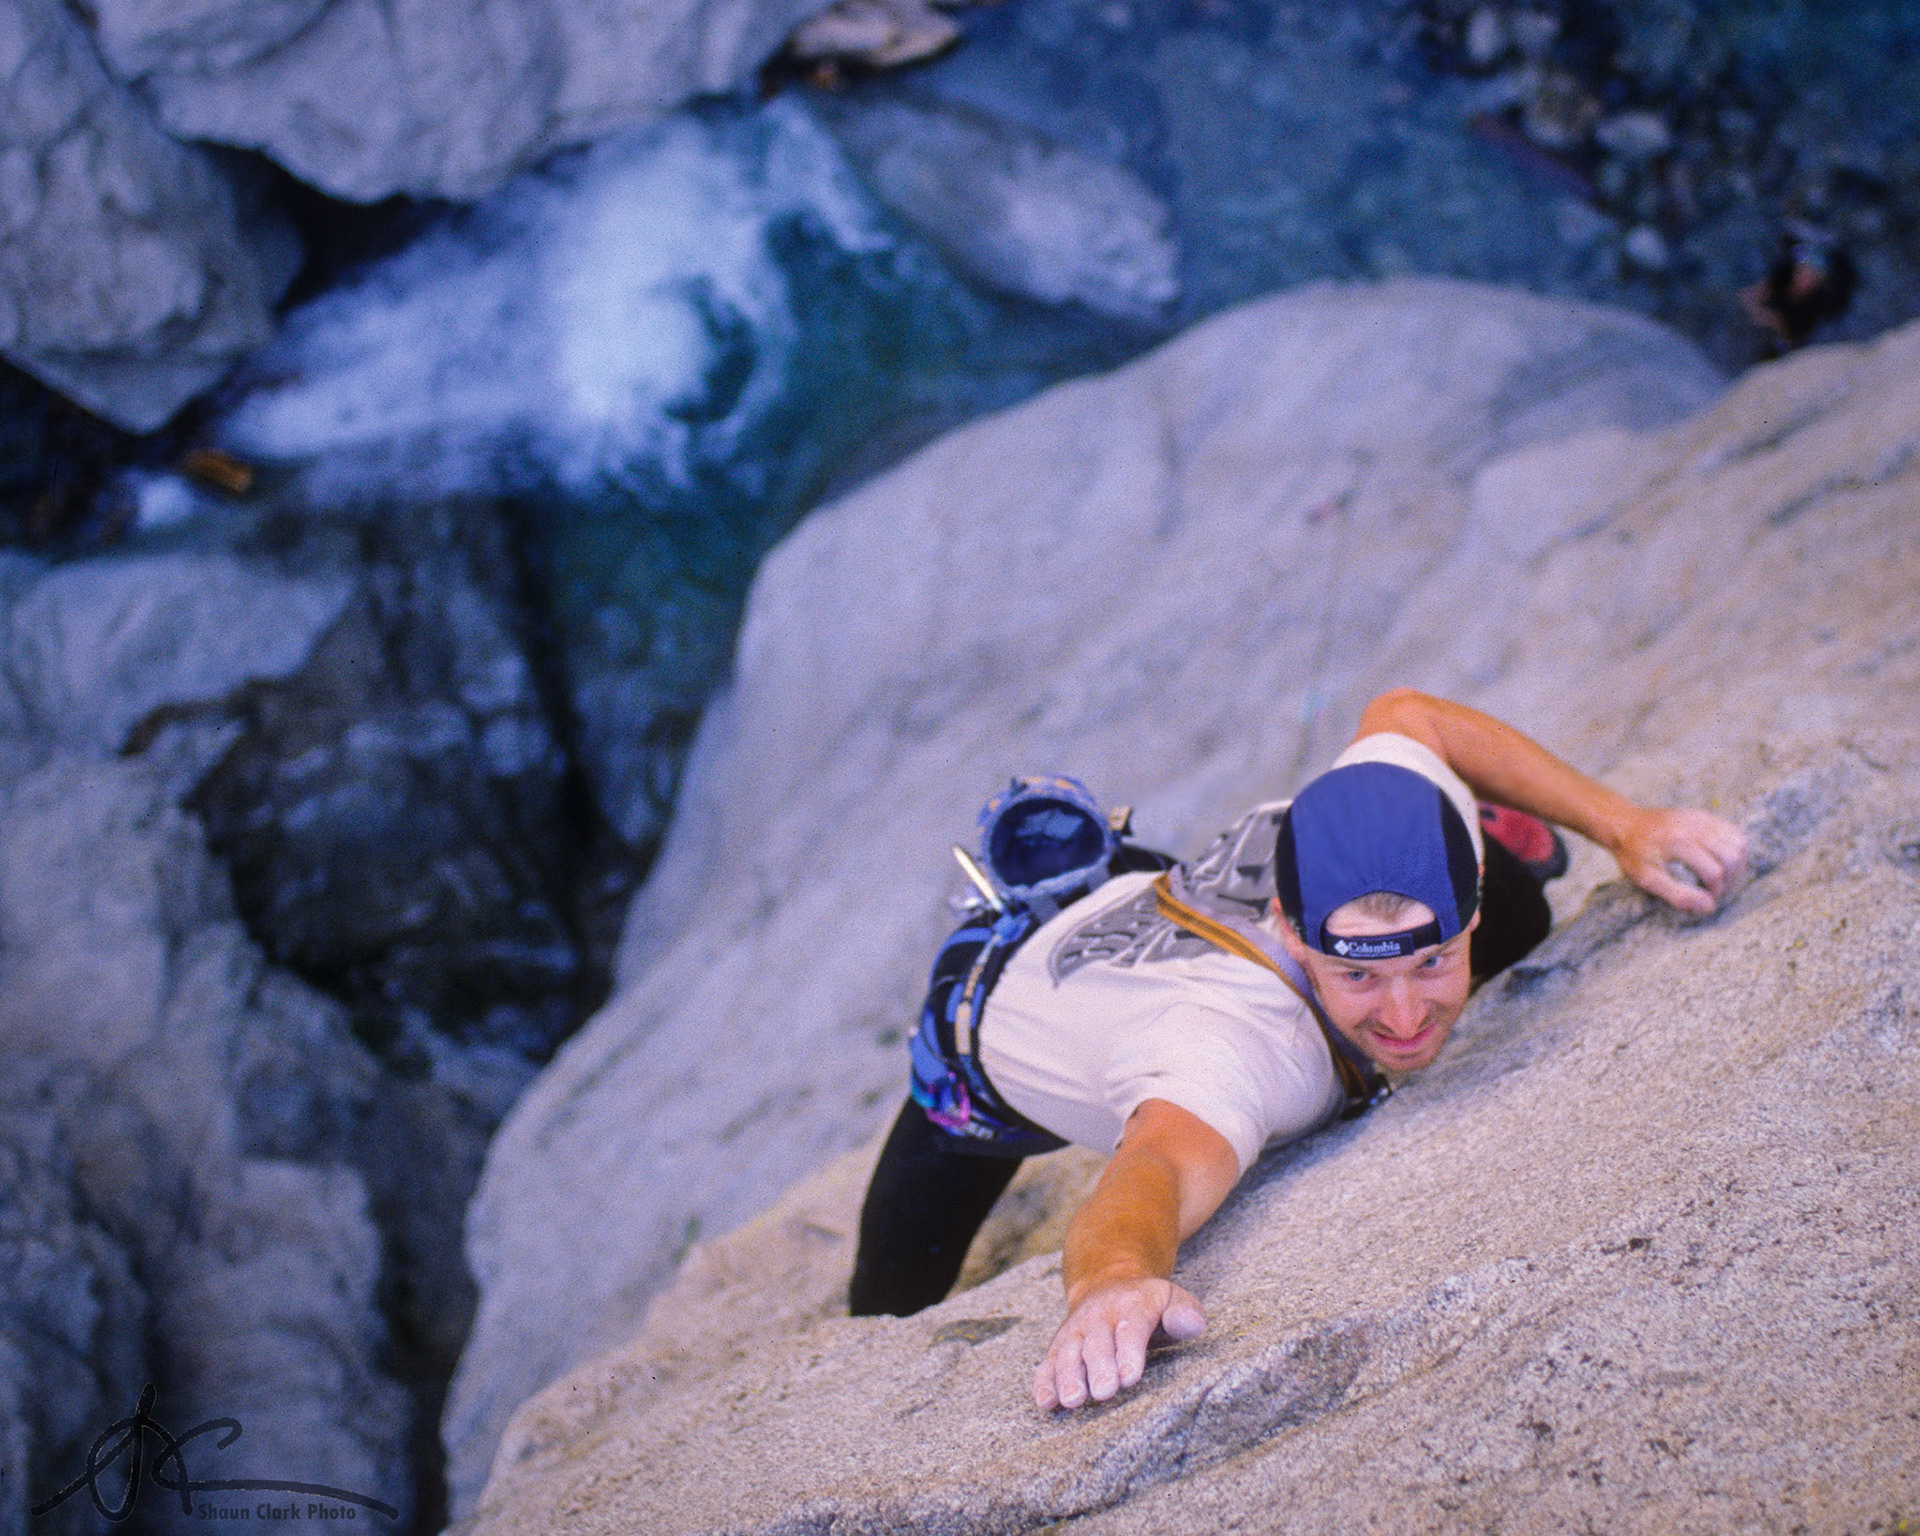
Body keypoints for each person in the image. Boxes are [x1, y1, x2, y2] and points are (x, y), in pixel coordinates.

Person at [848, 689, 1748, 1414]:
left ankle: (1488, 890)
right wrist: (1116, 1284)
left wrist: (1625, 826)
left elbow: (1413, 717)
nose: (1403, 1016)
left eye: (1431, 958)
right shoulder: (1237, 1054)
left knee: (1522, 908)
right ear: (1293, 926)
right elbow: (1149, 1171)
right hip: (979, 1047)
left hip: (1142, 905)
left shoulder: (1394, 822)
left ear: (1455, 893)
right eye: (1357, 975)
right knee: (882, 1309)